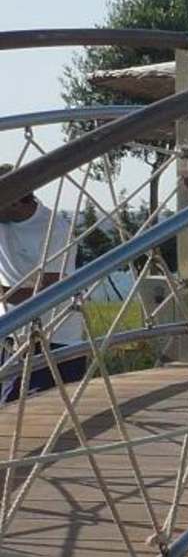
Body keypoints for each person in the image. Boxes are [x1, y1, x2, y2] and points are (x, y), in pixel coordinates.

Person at [0, 168, 88, 401]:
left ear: (15, 200)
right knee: (9, 408)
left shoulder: (55, 229)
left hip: (56, 336)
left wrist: (4, 295)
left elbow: (48, 291)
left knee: (54, 407)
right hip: (14, 334)